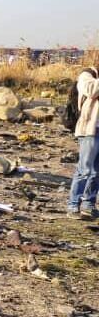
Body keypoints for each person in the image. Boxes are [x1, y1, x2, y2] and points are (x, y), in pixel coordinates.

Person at [68, 62, 99, 219]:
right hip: (89, 130)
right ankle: (73, 205)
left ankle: (88, 204)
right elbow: (92, 90)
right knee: (85, 169)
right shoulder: (87, 75)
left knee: (96, 171)